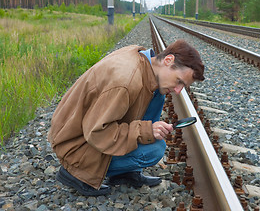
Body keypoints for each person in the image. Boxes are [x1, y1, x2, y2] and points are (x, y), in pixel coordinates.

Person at [48, 39, 205, 196]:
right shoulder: (126, 81)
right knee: (155, 149)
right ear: (168, 60)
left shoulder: (143, 60)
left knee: (158, 92)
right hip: (74, 144)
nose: (178, 90)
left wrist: (147, 129)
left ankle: (124, 173)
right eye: (179, 81)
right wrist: (145, 131)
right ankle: (76, 172)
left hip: (79, 130)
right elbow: (97, 132)